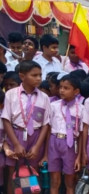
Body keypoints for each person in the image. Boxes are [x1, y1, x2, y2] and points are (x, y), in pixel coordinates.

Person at [1, 60, 50, 194]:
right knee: (14, 172)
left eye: (40, 75)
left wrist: (37, 146)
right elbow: (6, 120)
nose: (39, 78)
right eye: (34, 75)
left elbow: (46, 124)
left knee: (31, 171)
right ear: (22, 76)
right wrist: (16, 144)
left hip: (35, 136)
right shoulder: (11, 94)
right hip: (16, 133)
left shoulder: (44, 97)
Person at [46, 74, 83, 194]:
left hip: (71, 144)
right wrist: (46, 152)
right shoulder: (53, 106)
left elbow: (82, 133)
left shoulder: (81, 109)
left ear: (76, 91)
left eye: (66, 88)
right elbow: (48, 128)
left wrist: (79, 157)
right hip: (55, 141)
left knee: (70, 181)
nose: (62, 90)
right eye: (60, 87)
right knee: (55, 181)